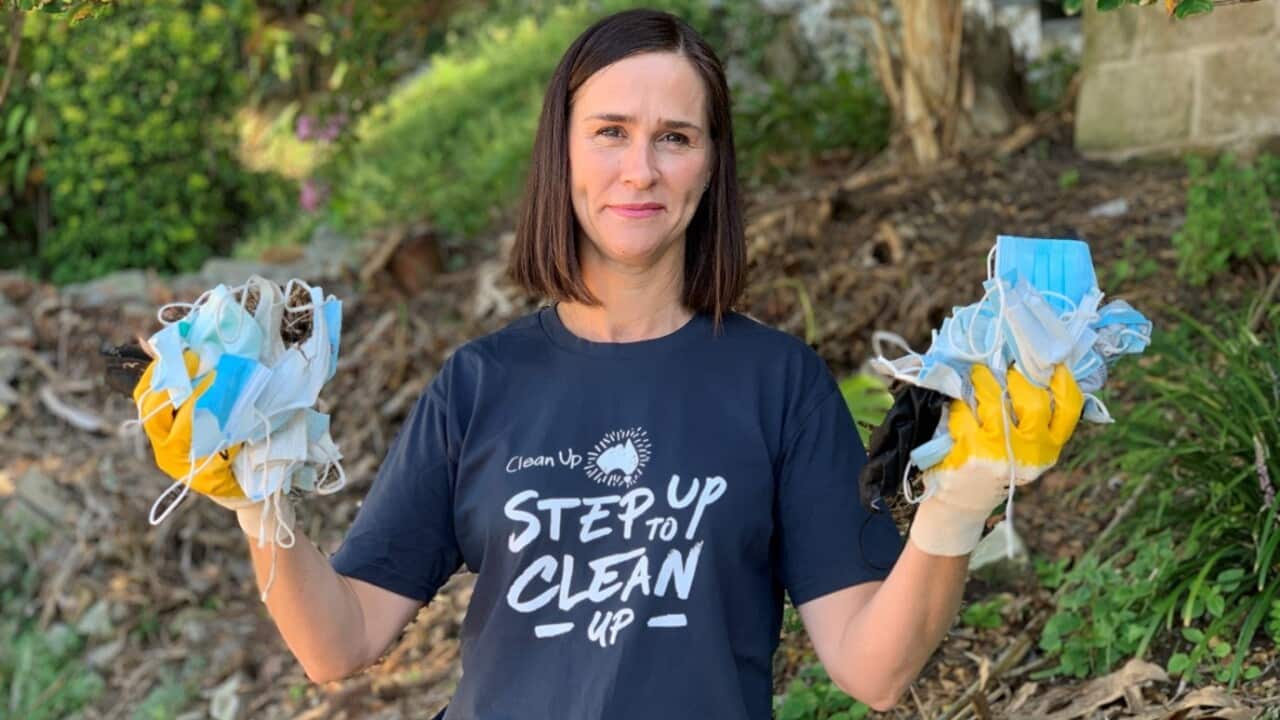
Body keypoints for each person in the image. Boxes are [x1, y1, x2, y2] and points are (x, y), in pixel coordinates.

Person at [138, 9, 1083, 718]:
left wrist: (959, 504)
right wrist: (259, 501)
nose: (641, 170)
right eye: (611, 131)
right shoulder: (480, 384)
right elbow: (338, 644)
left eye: (675, 137)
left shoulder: (778, 384)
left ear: (710, 166)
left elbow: (874, 671)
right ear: (563, 152)